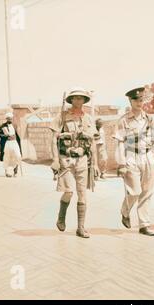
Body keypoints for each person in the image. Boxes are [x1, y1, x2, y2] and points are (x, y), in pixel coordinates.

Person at [113, 86, 154, 236]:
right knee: (135, 191)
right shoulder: (124, 121)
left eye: (141, 99)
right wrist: (121, 163)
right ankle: (125, 210)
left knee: (147, 192)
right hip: (131, 157)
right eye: (135, 99)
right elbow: (119, 142)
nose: (139, 102)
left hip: (147, 156)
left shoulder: (149, 119)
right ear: (130, 101)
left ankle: (144, 224)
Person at [50, 87, 98, 239]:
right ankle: (61, 216)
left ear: (84, 100)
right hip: (67, 159)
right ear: (71, 100)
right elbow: (53, 139)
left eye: (81, 98)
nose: (78, 100)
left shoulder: (89, 118)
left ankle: (81, 228)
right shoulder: (62, 116)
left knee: (82, 194)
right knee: (69, 192)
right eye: (75, 98)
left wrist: (95, 164)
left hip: (83, 159)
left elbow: (93, 143)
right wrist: (55, 160)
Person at [0, 113, 22, 177]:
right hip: (8, 143)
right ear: (6, 119)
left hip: (15, 143)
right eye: (8, 118)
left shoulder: (15, 125)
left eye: (11, 118)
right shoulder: (3, 126)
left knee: (18, 156)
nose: (10, 119)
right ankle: (7, 172)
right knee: (7, 157)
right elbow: (1, 134)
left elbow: (18, 134)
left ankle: (16, 171)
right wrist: (6, 136)